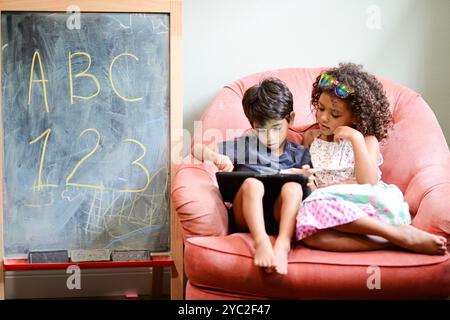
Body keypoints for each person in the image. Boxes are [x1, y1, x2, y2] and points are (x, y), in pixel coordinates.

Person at [292, 62, 447, 255]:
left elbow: (368, 181)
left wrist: (355, 139)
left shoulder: (366, 140)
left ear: (355, 117)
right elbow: (312, 182)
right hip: (328, 205)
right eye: (321, 108)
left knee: (318, 207)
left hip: (365, 203)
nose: (323, 118)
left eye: (335, 114)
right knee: (307, 232)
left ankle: (394, 233)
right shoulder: (311, 138)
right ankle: (395, 239)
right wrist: (307, 180)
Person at [192, 78, 312, 274]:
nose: (270, 137)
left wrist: (306, 177)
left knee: (294, 188)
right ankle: (261, 242)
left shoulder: (300, 153)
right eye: (261, 130)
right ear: (252, 124)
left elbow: (314, 190)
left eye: (276, 128)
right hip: (245, 215)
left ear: (290, 119)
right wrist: (216, 157)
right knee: (252, 184)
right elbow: (197, 149)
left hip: (280, 214)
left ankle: (283, 244)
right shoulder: (245, 145)